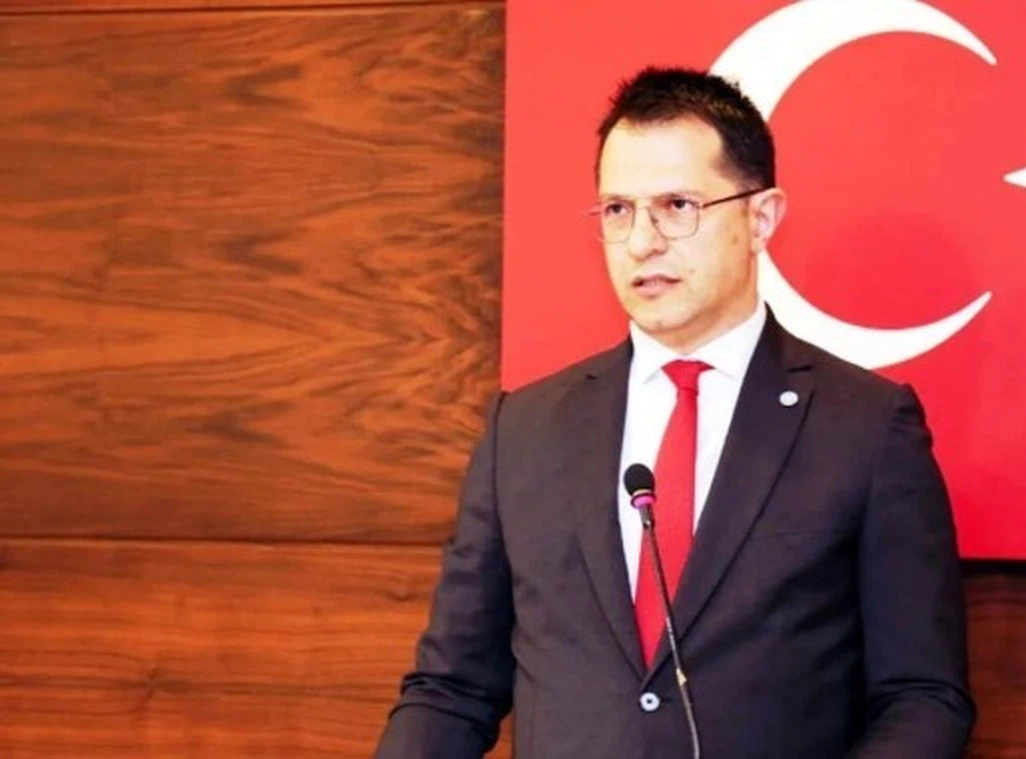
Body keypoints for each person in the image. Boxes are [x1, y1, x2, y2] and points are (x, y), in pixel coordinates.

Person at [373, 66, 975, 758]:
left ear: (760, 217)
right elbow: (451, 690)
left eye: (677, 206)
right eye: (617, 210)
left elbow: (922, 697)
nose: (642, 242)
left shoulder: (865, 428)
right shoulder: (527, 430)